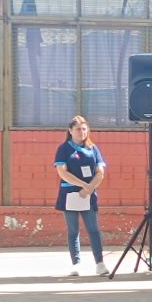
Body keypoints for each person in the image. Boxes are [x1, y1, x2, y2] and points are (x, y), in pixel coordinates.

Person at [54, 115, 109, 276]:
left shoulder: (93, 149)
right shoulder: (63, 149)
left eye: (84, 129)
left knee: (93, 229)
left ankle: (100, 263)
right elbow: (62, 172)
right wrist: (83, 185)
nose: (82, 132)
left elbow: (100, 172)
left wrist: (89, 188)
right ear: (70, 130)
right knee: (73, 230)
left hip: (88, 195)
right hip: (70, 194)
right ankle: (76, 263)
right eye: (78, 129)